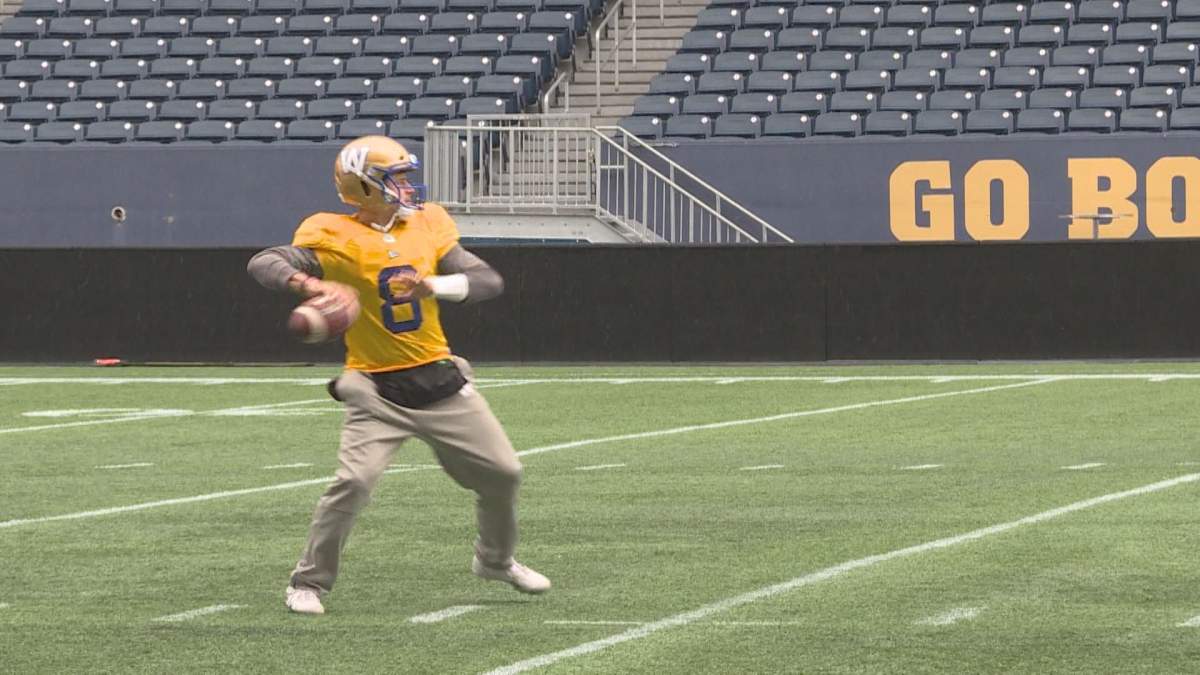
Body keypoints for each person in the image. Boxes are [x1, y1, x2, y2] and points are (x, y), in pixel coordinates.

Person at [247, 135, 550, 615]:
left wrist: (430, 283)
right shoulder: (331, 233)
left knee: (504, 473)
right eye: (397, 177)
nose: (407, 185)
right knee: (354, 483)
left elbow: (488, 281)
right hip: (376, 389)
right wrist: (310, 283)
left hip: (440, 380)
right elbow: (265, 261)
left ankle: (495, 560)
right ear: (364, 187)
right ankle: (308, 581)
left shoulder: (428, 222)